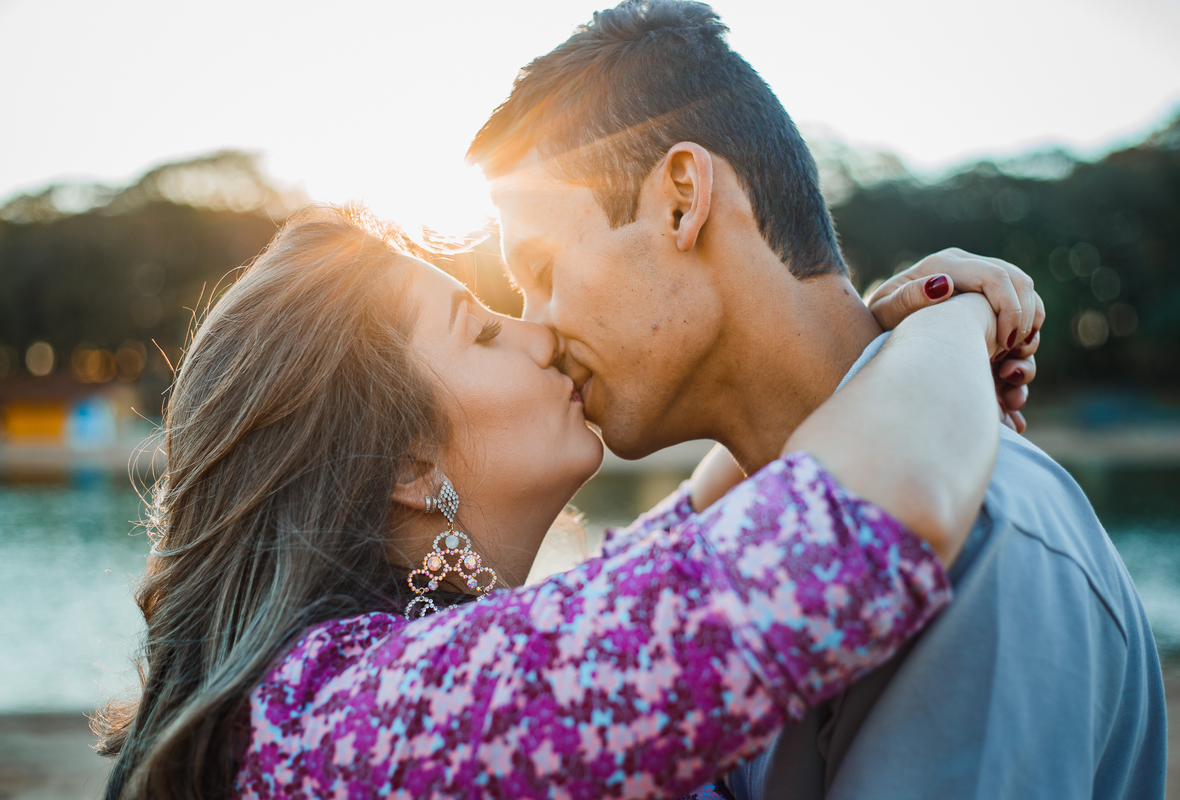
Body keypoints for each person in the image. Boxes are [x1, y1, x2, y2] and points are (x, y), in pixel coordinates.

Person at [465, 2, 1167, 798]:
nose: (539, 333)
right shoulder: (742, 557)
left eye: (543, 272)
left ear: (680, 200)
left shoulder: (984, 535)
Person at [97, 205, 1010, 799]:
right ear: (408, 462)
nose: (538, 336)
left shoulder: (334, 692)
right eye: (486, 331)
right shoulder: (348, 718)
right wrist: (954, 320)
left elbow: (677, 548)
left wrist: (876, 341)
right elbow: (851, 532)